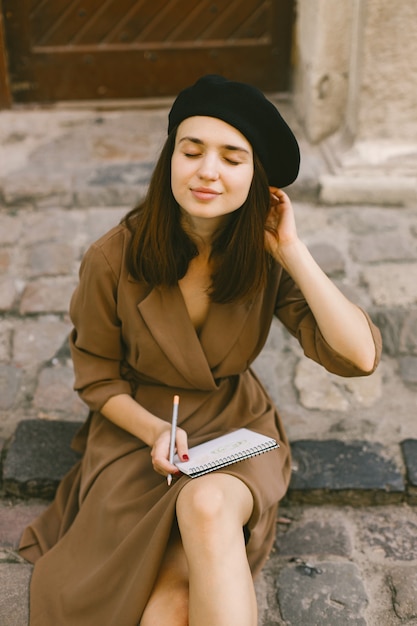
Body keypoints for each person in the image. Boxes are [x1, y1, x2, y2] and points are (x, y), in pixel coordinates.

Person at [19, 75, 382, 626]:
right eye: (191, 152)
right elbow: (96, 380)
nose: (207, 171)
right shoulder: (111, 259)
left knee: (209, 505)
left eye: (233, 158)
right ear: (170, 160)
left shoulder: (265, 260)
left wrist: (292, 249)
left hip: (234, 426)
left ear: (256, 177)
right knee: (169, 609)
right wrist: (153, 432)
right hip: (138, 438)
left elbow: (358, 357)